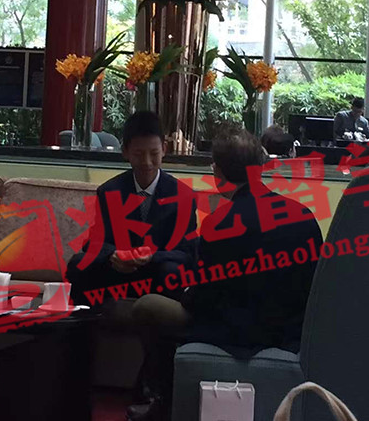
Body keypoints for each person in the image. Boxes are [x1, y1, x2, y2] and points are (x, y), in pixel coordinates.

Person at [127, 127, 322, 421]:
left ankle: (162, 397)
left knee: (147, 306)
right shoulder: (303, 214)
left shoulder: (220, 223)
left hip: (240, 331)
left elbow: (204, 299)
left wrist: (185, 293)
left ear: (217, 172)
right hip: (292, 330)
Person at [66, 111, 197, 306]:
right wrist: (113, 255)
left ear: (164, 149)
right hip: (118, 273)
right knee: (78, 263)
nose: (147, 162)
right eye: (138, 154)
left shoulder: (183, 195)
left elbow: (187, 253)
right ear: (125, 152)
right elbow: (95, 242)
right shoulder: (110, 191)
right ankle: (86, 320)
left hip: (157, 274)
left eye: (154, 154)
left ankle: (164, 321)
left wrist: (152, 256)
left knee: (173, 271)